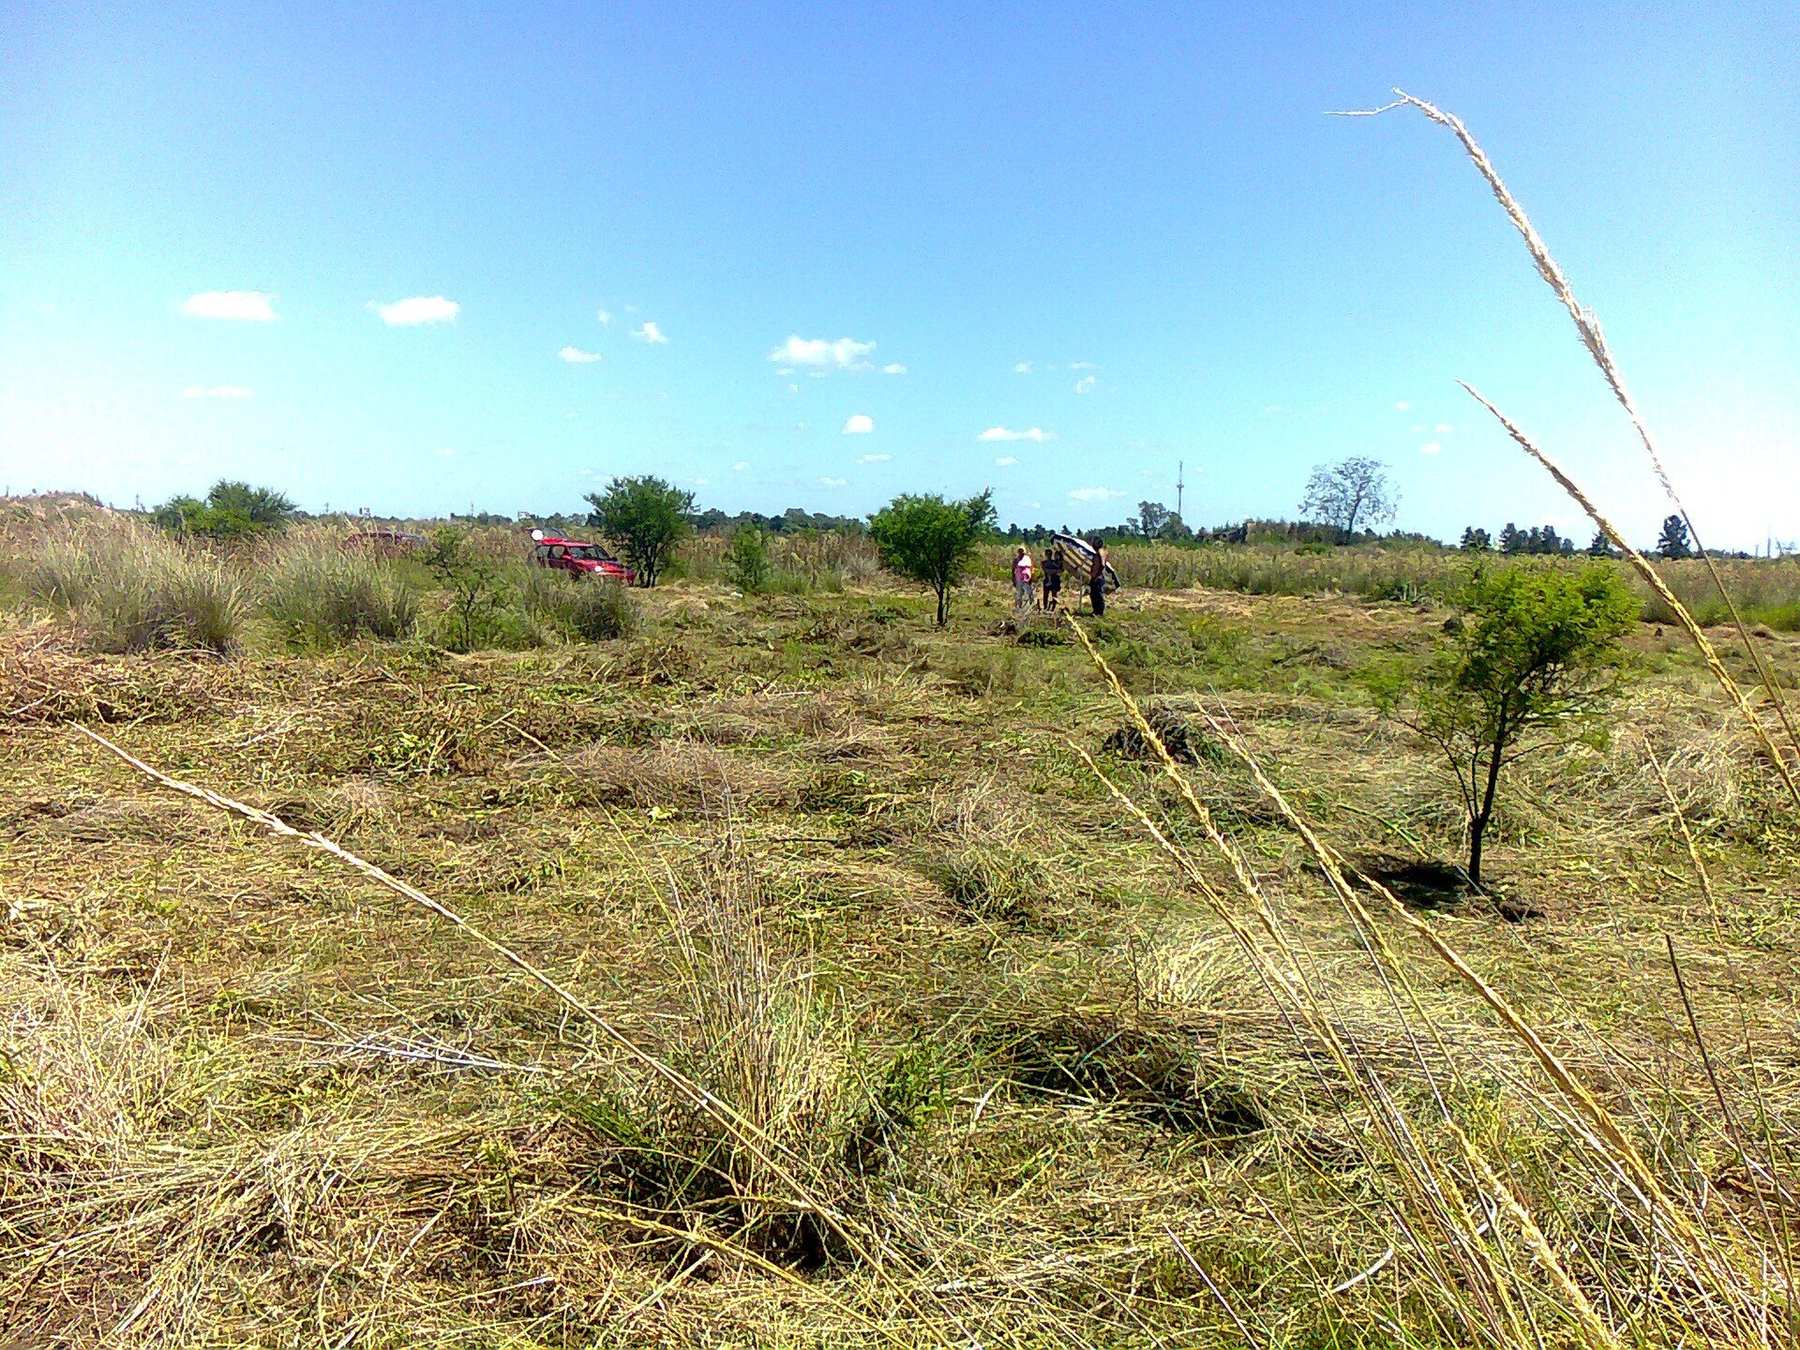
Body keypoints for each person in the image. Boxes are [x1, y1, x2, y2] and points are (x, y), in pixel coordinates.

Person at [1087, 537, 1107, 616]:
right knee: (1093, 594)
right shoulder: (1098, 552)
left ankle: (1099, 612)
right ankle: (1095, 611)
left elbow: (1102, 564)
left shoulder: (1100, 551)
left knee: (1098, 595)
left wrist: (1096, 575)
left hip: (1098, 577)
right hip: (1095, 576)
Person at [1041, 541, 1063, 611]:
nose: (1048, 555)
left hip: (1055, 580)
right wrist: (1054, 571)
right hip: (1047, 579)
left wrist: (1052, 571)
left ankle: (1053, 608)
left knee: (1054, 595)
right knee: (1045, 595)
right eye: (1047, 554)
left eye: (1049, 554)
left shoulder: (1054, 562)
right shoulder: (1043, 562)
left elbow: (1060, 570)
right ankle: (1045, 607)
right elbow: (1046, 570)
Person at [1012, 544, 1034, 611]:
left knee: (1029, 592)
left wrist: (1032, 577)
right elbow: (1013, 569)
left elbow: (1032, 568)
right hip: (1019, 578)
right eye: (1020, 551)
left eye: (1022, 551)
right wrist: (1013, 579)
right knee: (1019, 593)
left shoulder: (1028, 559)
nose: (1021, 552)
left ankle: (1031, 606)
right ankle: (1019, 607)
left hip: (1027, 578)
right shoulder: (1016, 560)